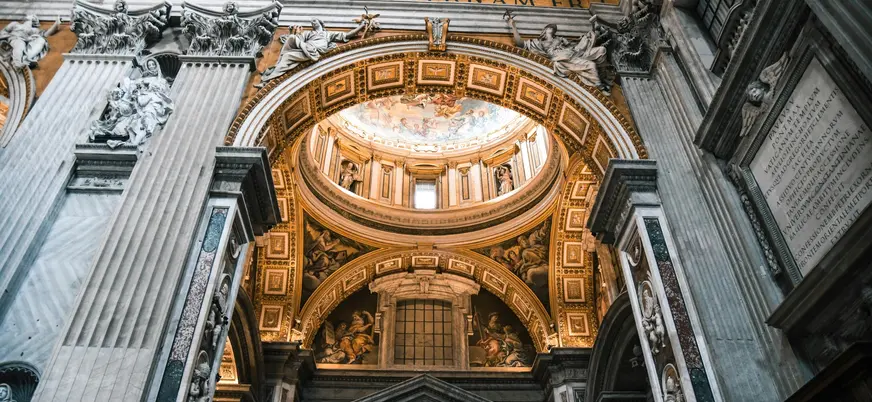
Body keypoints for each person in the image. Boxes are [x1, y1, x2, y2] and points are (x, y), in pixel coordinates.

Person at [506, 15, 607, 90]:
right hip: (563, 59)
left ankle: (603, 76)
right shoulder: (539, 43)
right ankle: (600, 85)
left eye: (554, 29)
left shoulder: (560, 39)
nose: (552, 29)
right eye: (550, 28)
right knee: (591, 65)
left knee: (601, 50)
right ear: (544, 30)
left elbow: (573, 45)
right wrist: (513, 25)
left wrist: (576, 41)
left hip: (573, 53)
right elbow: (520, 44)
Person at [258, 19, 368, 86]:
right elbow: (294, 37)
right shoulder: (308, 33)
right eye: (311, 22)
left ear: (321, 23)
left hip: (315, 51)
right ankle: (269, 79)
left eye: (314, 20)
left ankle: (268, 78)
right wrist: (293, 33)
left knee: (292, 40)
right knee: (287, 54)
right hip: (306, 48)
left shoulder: (328, 34)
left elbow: (348, 35)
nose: (312, 22)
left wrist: (362, 25)